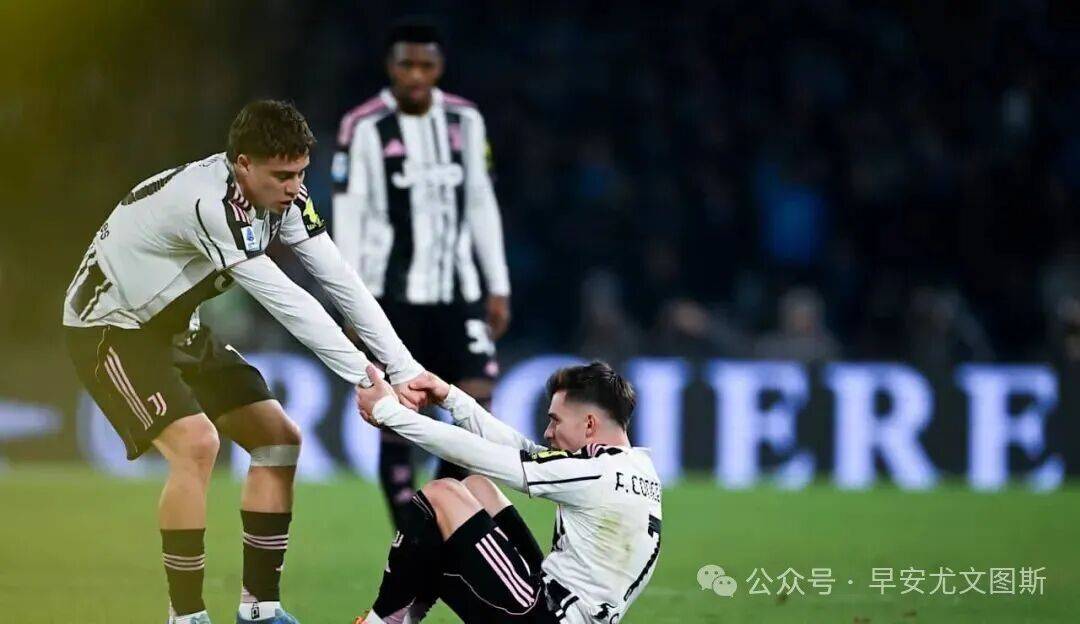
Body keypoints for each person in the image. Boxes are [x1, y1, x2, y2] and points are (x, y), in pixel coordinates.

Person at [62, 100, 427, 624]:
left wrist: (402, 367)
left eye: (301, 173)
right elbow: (286, 301)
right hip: (111, 328)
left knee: (279, 440)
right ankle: (186, 617)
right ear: (243, 164)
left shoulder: (284, 199)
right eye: (282, 176)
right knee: (197, 444)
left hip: (176, 326)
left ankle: (260, 612)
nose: (294, 187)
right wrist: (364, 376)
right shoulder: (209, 205)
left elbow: (339, 278)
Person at [333, 19, 512, 530]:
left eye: (426, 65)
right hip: (390, 297)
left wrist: (497, 285)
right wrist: (351, 302)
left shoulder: (465, 120)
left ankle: (434, 522)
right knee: (398, 417)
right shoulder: (362, 126)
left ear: (440, 67)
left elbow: (481, 202)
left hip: (459, 292)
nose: (416, 75)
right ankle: (412, 538)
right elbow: (349, 216)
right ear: (390, 67)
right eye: (406, 64)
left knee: (477, 411)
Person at [353, 362, 662, 624]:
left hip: (547, 617)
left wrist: (388, 412)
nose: (548, 432)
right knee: (478, 488)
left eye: (555, 420)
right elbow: (523, 450)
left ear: (589, 424)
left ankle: (381, 620)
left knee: (442, 494)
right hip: (557, 604)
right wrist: (450, 397)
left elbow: (481, 454)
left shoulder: (596, 473)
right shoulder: (632, 468)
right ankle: (406, 616)